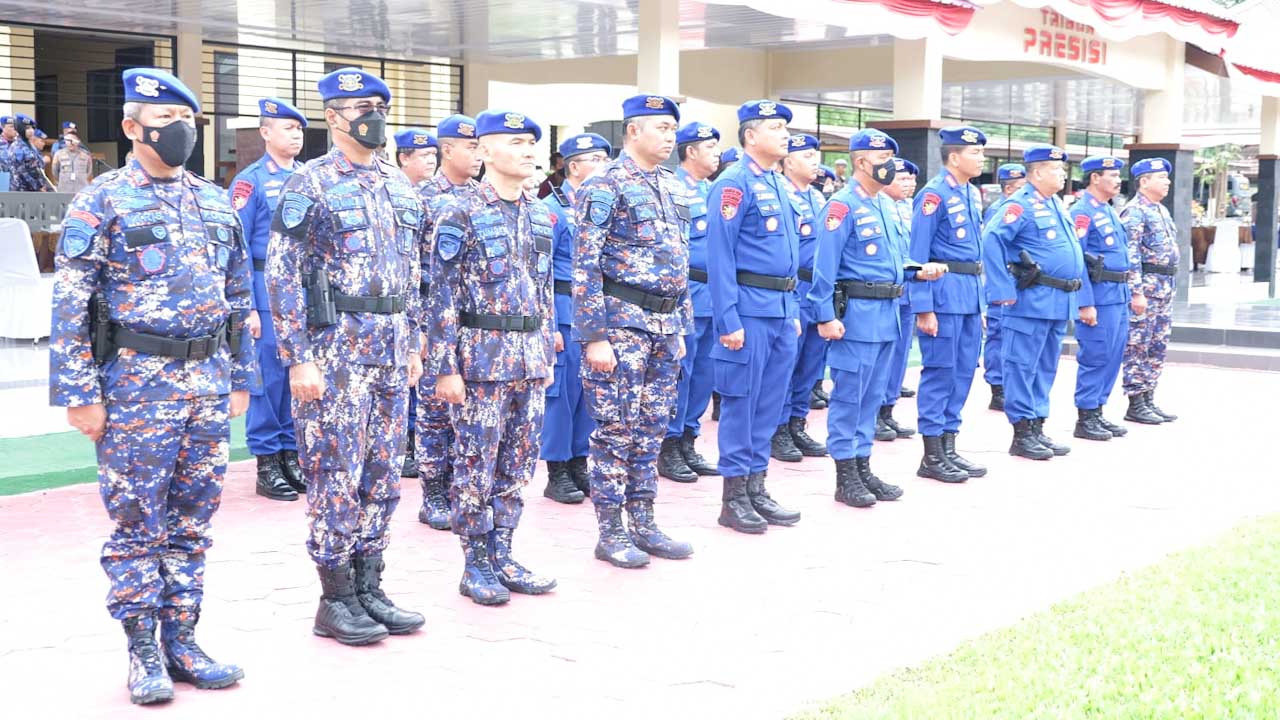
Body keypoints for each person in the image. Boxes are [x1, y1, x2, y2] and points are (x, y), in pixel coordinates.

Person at [49, 67, 257, 705]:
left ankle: (183, 641)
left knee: (194, 522)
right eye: (166, 120)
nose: (180, 131)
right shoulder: (103, 199)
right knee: (139, 522)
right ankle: (142, 649)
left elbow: (239, 295)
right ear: (132, 127)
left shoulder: (214, 201)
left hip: (207, 382)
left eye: (187, 120)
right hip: (138, 385)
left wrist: (242, 376)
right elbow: (71, 301)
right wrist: (79, 392)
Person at [267, 67, 426, 644]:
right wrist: (297, 357)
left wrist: (416, 340)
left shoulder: (398, 184)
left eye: (380, 107)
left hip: (391, 348)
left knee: (382, 472)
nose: (373, 117)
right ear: (333, 117)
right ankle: (334, 598)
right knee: (336, 471)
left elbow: (414, 271)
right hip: (335, 350)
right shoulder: (309, 183)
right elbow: (282, 274)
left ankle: (368, 586)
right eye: (361, 108)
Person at [426, 109, 557, 605]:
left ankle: (504, 553)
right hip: (480, 361)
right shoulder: (458, 212)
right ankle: (476, 563)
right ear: (483, 151)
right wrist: (445, 368)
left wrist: (545, 355)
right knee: (474, 465)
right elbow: (440, 296)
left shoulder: (539, 213)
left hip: (528, 359)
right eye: (515, 142)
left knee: (518, 466)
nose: (527, 151)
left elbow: (544, 290)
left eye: (530, 143)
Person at [574, 95, 695, 567]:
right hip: (622, 323)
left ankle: (644, 522)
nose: (670, 137)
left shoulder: (671, 185)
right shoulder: (604, 184)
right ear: (632, 132)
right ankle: (610, 531)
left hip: (665, 324)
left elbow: (678, 259)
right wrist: (594, 336)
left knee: (652, 428)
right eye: (660, 127)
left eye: (672, 129)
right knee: (615, 430)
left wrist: (680, 326)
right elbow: (586, 264)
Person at [811, 130, 947, 508]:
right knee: (849, 397)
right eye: (883, 158)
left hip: (888, 314)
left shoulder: (884, 205)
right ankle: (845, 476)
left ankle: (862, 465)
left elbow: (891, 261)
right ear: (861, 161)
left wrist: (917, 270)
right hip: (857, 316)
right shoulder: (842, 206)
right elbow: (824, 267)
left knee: (872, 398)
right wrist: (824, 316)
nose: (890, 165)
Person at [706, 100, 803, 534]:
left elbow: (789, 255)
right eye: (775, 127)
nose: (785, 135)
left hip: (780, 310)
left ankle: (757, 487)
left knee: (769, 404)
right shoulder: (733, 183)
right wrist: (728, 319)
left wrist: (793, 309)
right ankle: (733, 497)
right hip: (747, 309)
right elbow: (720, 255)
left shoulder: (778, 183)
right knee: (741, 403)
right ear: (750, 136)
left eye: (785, 127)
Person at [226, 97, 307, 501]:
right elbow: (236, 246)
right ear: (265, 132)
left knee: (298, 373)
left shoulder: (308, 178)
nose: (296, 135)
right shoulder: (251, 181)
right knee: (267, 376)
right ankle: (267, 460)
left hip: (301, 288)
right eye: (288, 128)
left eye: (299, 129)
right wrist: (250, 308)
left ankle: (291, 454)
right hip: (263, 284)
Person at [983, 145, 1085, 460]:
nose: (1063, 175)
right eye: (1056, 169)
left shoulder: (1054, 204)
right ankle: (1022, 432)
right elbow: (991, 239)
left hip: (1058, 299)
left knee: (1045, 366)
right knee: (1021, 366)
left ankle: (1038, 425)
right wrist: (1001, 287)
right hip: (1031, 300)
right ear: (1037, 172)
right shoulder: (1020, 204)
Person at [412, 114, 482, 531]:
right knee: (435, 410)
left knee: (469, 409)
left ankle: (462, 488)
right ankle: (433, 493)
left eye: (480, 147)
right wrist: (416, 327)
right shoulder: (422, 198)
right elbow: (409, 268)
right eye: (471, 147)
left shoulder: (485, 197)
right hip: (431, 318)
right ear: (447, 149)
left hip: (475, 322)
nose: (478, 155)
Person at [908, 126, 989, 483]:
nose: (981, 158)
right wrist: (924, 307)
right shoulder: (933, 195)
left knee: (963, 372)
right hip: (942, 294)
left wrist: (980, 304)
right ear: (954, 157)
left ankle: (948, 445)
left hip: (968, 293)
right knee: (940, 372)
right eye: (975, 152)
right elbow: (917, 254)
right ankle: (931, 454)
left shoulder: (971, 192)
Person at [540, 132, 610, 503]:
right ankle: (557, 470)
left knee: (590, 391)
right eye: (595, 160)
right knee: (561, 394)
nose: (603, 166)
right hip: (564, 308)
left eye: (605, 159)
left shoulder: (602, 205)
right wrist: (549, 324)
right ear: (574, 167)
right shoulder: (551, 209)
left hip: (594, 311)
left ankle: (580, 461)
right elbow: (542, 271)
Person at [658, 120, 721, 484]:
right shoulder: (672, 188)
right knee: (681, 370)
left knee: (705, 371)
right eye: (710, 147)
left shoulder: (714, 190)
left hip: (714, 293)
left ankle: (689, 439)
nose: (716, 154)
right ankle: (669, 443)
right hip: (687, 292)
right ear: (691, 151)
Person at [770, 132, 828, 463]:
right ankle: (778, 429)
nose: (815, 161)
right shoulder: (779, 193)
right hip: (793, 288)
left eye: (816, 155)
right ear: (788, 162)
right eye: (807, 155)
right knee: (787, 362)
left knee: (811, 362)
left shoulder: (818, 198)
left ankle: (797, 422)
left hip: (817, 290)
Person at [1070, 156, 1133, 441]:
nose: (1118, 180)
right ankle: (1086, 416)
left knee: (1113, 354)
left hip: (1117, 294)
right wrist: (1085, 302)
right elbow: (1077, 261)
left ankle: (1098, 409)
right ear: (1095, 178)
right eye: (1113, 175)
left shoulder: (1108, 210)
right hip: (1099, 295)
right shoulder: (1082, 212)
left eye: (1119, 175)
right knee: (1096, 354)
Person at [392, 127, 439, 482]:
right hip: (406, 296)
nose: (431, 161)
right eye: (424, 156)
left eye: (434, 155)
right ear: (403, 158)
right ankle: (405, 444)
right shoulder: (394, 193)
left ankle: (413, 441)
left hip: (428, 295)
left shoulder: (430, 197)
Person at [1120, 158, 1180, 425]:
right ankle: (1135, 402)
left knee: (1157, 344)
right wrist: (1136, 292)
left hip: (1164, 288)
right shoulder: (1134, 212)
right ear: (1144, 181)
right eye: (1161, 178)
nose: (1167, 182)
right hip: (1146, 289)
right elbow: (1130, 255)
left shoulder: (1160, 210)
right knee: (1138, 344)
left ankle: (1148, 397)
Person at [874, 157, 919, 442]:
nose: (909, 184)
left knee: (899, 356)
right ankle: (874, 412)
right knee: (881, 358)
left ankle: (887, 409)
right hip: (884, 292)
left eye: (911, 179)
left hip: (908, 291)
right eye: (902, 178)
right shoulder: (876, 206)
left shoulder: (908, 208)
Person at [980, 163, 1027, 412]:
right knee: (998, 334)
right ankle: (997, 387)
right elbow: (992, 249)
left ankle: (1008, 384)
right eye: (1021, 186)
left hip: (1019, 281)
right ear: (1009, 189)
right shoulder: (1000, 211)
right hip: (1002, 281)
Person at [8, 113, 52, 191]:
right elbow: (23, 172)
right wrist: (39, 187)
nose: (31, 130)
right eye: (27, 128)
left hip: (34, 189)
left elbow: (38, 166)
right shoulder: (18, 147)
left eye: (32, 128)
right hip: (22, 190)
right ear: (21, 128)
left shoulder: (30, 146)